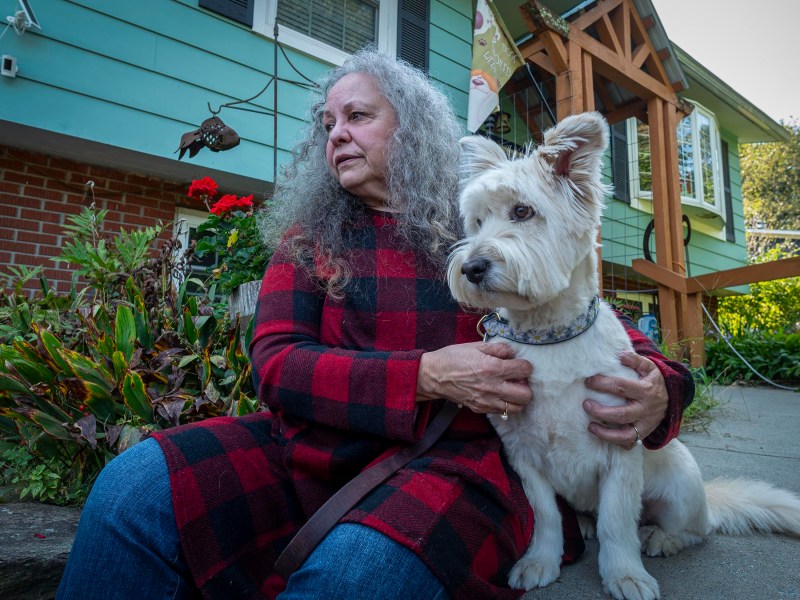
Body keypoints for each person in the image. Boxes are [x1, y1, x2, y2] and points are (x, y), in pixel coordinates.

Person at [57, 49, 694, 600]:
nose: (335, 133)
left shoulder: (480, 222)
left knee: (351, 581)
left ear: (412, 127)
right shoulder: (310, 237)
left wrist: (663, 387)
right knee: (131, 487)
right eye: (326, 122)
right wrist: (425, 375)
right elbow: (277, 363)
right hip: (309, 448)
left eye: (358, 116)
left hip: (454, 465)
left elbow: (581, 324)